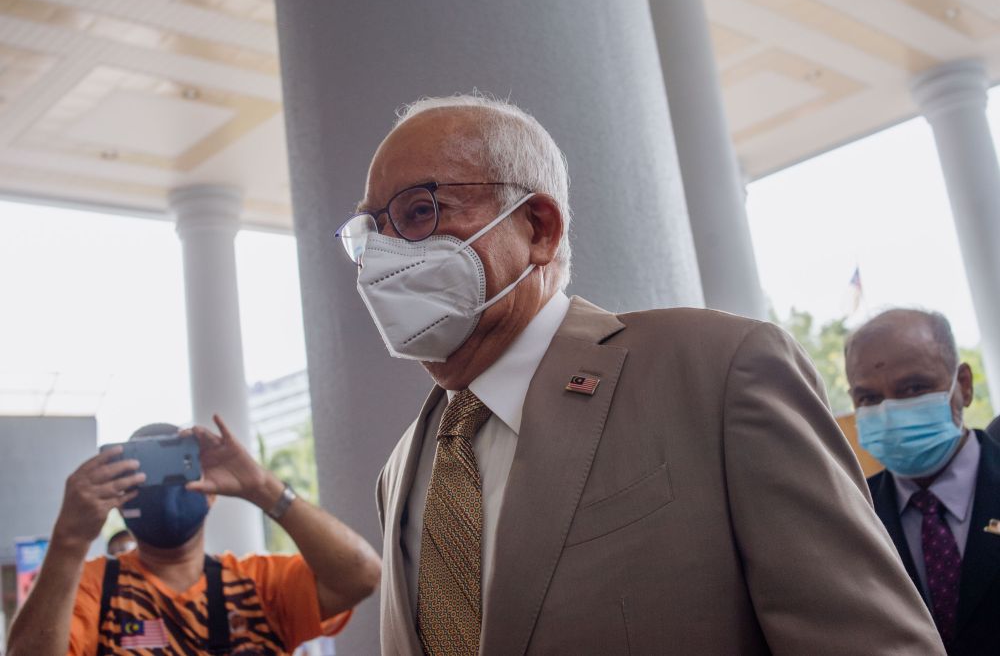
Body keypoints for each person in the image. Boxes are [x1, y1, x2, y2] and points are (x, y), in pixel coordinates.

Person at [333, 94, 944, 654]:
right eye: (373, 232)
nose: (386, 258)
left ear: (538, 227)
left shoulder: (717, 371)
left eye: (419, 211)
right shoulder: (403, 468)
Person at [7, 417, 381, 655]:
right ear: (120, 501)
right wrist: (69, 541)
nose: (163, 488)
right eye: (140, 475)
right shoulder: (93, 588)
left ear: (211, 492)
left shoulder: (257, 584)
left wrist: (262, 487)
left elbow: (362, 575)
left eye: (178, 469)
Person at [846, 308, 1000, 655]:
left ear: (963, 385)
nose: (890, 412)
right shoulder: (851, 515)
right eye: (869, 398)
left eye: (914, 388)